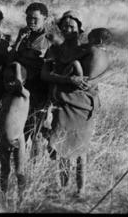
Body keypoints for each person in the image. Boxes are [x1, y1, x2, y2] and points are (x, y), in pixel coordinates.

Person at [41, 11, 110, 196]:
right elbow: (45, 74)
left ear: (80, 29)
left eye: (72, 26)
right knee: (61, 146)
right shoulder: (53, 49)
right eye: (64, 26)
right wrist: (67, 80)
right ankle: (62, 188)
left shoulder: (88, 49)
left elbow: (97, 74)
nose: (67, 29)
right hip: (63, 103)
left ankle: (80, 190)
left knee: (81, 150)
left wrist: (89, 81)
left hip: (83, 104)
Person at [8, 2, 53, 158]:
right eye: (28, 18)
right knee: (18, 126)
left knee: (36, 130)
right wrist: (19, 40)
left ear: (45, 18)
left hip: (39, 88)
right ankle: (18, 159)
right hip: (20, 85)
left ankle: (35, 164)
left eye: (35, 19)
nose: (31, 21)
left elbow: (52, 67)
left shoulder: (50, 38)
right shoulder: (24, 32)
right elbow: (11, 58)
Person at [0, 62, 30, 196]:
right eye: (6, 80)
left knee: (19, 171)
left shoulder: (24, 95)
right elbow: (2, 115)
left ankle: (21, 197)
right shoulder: (6, 97)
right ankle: (4, 195)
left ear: (22, 80)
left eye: (12, 80)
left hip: (18, 140)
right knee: (4, 170)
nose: (8, 83)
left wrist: (17, 65)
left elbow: (18, 84)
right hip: (3, 139)